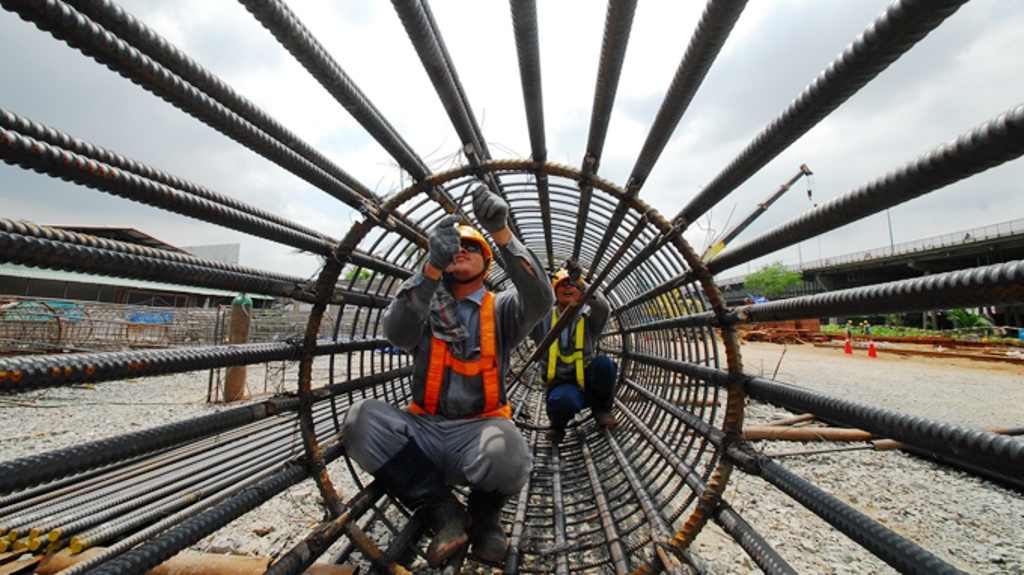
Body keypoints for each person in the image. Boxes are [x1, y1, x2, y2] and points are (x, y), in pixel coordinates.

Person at [341, 184, 553, 566]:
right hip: (422, 430)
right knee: (361, 419)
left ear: (487, 262)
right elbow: (395, 332)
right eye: (454, 246)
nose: (463, 250)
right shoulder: (423, 304)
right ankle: (443, 511)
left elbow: (541, 299)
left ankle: (485, 517)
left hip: (479, 431)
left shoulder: (502, 308)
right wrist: (429, 269)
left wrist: (502, 232)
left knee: (511, 453)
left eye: (473, 247)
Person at [531, 258, 618, 444]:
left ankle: (602, 409)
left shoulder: (588, 319)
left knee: (605, 364)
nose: (568, 287)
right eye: (562, 285)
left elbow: (603, 308)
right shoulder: (543, 320)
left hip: (589, 382)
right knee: (562, 400)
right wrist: (536, 285)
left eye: (573, 285)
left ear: (581, 293)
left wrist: (581, 281)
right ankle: (558, 424)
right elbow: (525, 309)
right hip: (562, 387)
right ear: (554, 292)